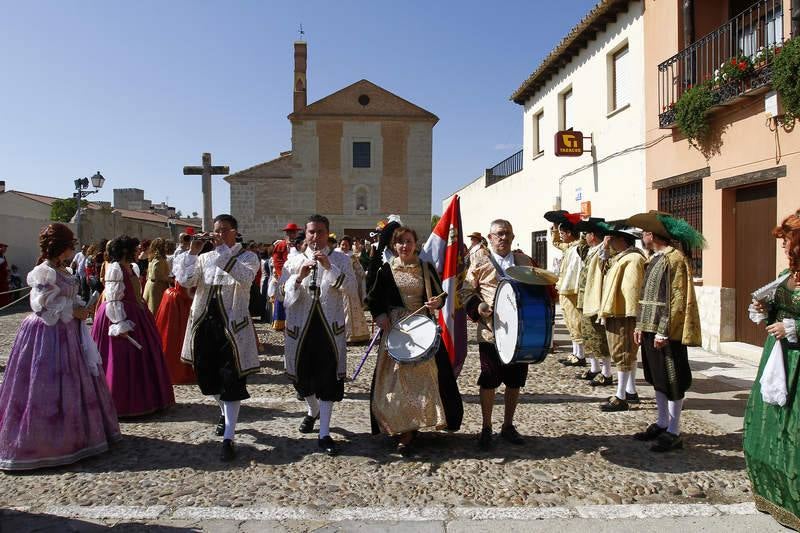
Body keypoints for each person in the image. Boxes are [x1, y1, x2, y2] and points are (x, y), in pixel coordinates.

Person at [0, 224, 120, 470]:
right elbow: (41, 306)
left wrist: (79, 305)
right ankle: (45, 441)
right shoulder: (44, 271)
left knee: (74, 381)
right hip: (47, 333)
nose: (73, 248)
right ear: (60, 246)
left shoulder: (63, 269)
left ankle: (77, 435)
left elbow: (65, 296)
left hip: (68, 332)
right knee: (45, 384)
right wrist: (71, 310)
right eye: (70, 244)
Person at [365, 225, 463, 454]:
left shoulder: (425, 268)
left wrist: (435, 303)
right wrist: (380, 316)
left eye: (409, 241)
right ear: (394, 245)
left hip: (422, 330)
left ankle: (411, 428)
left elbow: (440, 293)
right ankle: (399, 426)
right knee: (395, 382)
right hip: (396, 330)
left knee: (424, 380)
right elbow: (373, 298)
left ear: (415, 244)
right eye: (400, 242)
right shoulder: (386, 270)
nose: (405, 246)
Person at [174, 214, 260, 461]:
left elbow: (244, 279)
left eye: (224, 230)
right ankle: (223, 412)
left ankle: (229, 437)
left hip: (232, 326)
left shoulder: (248, 257)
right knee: (207, 375)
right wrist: (192, 252)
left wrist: (222, 250)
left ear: (234, 231)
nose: (218, 234)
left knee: (231, 379)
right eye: (216, 230)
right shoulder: (204, 257)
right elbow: (186, 281)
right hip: (205, 323)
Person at [278, 214, 357, 455]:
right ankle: (312, 411)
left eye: (320, 232)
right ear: (306, 233)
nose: (315, 236)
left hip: (328, 329)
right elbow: (282, 296)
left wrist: (328, 268)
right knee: (301, 379)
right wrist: (300, 276)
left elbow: (351, 289)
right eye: (311, 232)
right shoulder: (293, 261)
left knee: (327, 378)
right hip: (300, 329)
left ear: (327, 234)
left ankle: (324, 433)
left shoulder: (341, 259)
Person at [743, 210, 800, 530]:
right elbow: (775, 314)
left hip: (798, 365)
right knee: (764, 428)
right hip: (777, 359)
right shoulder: (785, 274)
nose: (782, 245)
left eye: (787, 239)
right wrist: (765, 311)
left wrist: (793, 327)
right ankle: (771, 494)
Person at [628, 210, 703, 452]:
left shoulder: (674, 259)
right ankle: (662, 423)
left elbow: (677, 298)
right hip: (649, 328)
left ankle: (674, 431)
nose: (642, 236)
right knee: (657, 378)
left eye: (645, 233)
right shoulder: (654, 257)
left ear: (654, 234)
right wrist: (640, 324)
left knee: (673, 380)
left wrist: (664, 330)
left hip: (666, 331)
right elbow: (645, 296)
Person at [462, 219, 534, 450]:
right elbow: (465, 291)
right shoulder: (479, 261)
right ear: (490, 238)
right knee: (489, 379)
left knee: (515, 381)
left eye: (507, 234)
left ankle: (508, 426)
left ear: (513, 237)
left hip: (518, 334)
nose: (503, 238)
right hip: (490, 332)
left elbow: (537, 289)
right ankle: (486, 427)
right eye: (498, 234)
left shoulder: (524, 261)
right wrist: (479, 308)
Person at [91, 235, 175, 417]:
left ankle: (144, 398)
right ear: (125, 251)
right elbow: (113, 298)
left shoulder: (130, 267)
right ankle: (122, 402)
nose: (138, 251)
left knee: (142, 355)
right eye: (135, 249)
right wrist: (119, 323)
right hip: (119, 315)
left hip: (135, 313)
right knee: (121, 357)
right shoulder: (115, 268)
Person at [596, 224, 646, 412]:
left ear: (623, 240)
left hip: (623, 312)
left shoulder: (632, 259)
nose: (611, 241)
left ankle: (621, 396)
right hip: (618, 310)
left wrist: (632, 313)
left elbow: (632, 288)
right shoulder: (623, 257)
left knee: (622, 353)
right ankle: (630, 390)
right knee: (626, 354)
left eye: (614, 238)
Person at [574, 219, 613, 386]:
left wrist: (605, 245)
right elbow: (580, 248)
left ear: (593, 235)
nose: (585, 236)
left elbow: (606, 264)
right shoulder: (590, 250)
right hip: (584, 298)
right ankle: (594, 368)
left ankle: (607, 372)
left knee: (599, 337)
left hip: (595, 299)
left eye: (587, 233)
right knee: (588, 335)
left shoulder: (603, 251)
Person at [550, 214, 588, 366]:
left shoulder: (579, 247)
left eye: (562, 233)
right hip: (565, 290)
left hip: (572, 290)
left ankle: (580, 355)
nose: (560, 236)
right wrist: (555, 226)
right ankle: (576, 353)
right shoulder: (570, 246)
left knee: (576, 322)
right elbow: (556, 242)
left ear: (569, 233)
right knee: (570, 323)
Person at [338, 235, 371, 344]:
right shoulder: (336, 256)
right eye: (342, 244)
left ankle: (356, 335)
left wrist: (363, 276)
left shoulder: (352, 257)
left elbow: (359, 269)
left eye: (346, 245)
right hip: (338, 286)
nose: (344, 247)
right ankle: (341, 334)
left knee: (351, 310)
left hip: (350, 286)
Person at [271, 222, 300, 331]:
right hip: (284, 274)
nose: (292, 234)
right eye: (290, 232)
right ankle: (280, 322)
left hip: (297, 274)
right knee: (282, 297)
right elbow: (276, 260)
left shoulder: (299, 243)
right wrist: (281, 274)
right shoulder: (281, 245)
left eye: (294, 232)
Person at [143, 238, 170, 316]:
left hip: (149, 285)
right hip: (157, 287)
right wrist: (170, 280)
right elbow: (157, 275)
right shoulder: (159, 259)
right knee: (155, 310)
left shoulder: (152, 257)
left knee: (149, 308)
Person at [0, 243, 10, 307]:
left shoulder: (3, 256)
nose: (5, 249)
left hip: (3, 278)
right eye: (4, 248)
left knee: (4, 290)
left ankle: (4, 304)